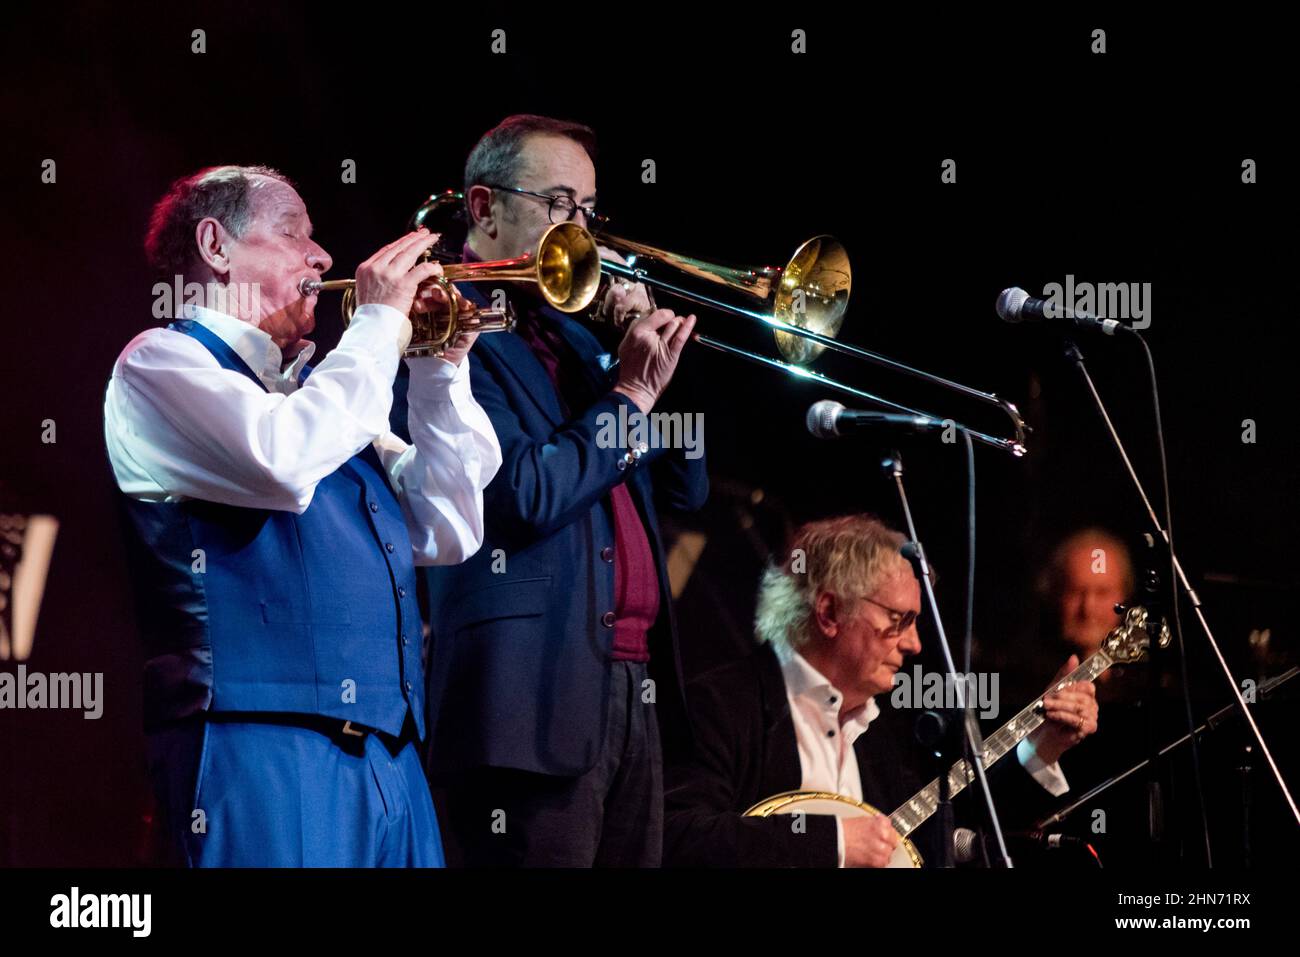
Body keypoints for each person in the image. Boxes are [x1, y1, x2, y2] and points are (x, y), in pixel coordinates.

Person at [104, 164, 501, 866]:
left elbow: (448, 524)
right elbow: (281, 460)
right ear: (216, 246)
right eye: (293, 233)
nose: (322, 257)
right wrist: (378, 323)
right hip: (260, 754)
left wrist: (440, 370)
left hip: (393, 762)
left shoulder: (326, 393)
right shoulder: (159, 365)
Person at [413, 115, 708, 866]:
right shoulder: (446, 328)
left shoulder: (579, 339)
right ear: (484, 209)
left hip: (626, 684)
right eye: (557, 204)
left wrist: (645, 359)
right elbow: (522, 496)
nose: (579, 230)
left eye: (587, 211)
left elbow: (686, 488)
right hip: (524, 699)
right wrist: (628, 397)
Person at [664, 514, 1098, 867]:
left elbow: (951, 834)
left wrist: (1042, 747)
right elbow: (675, 835)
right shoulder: (721, 705)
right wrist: (831, 843)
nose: (914, 643)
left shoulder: (885, 731)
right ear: (830, 612)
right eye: (899, 619)